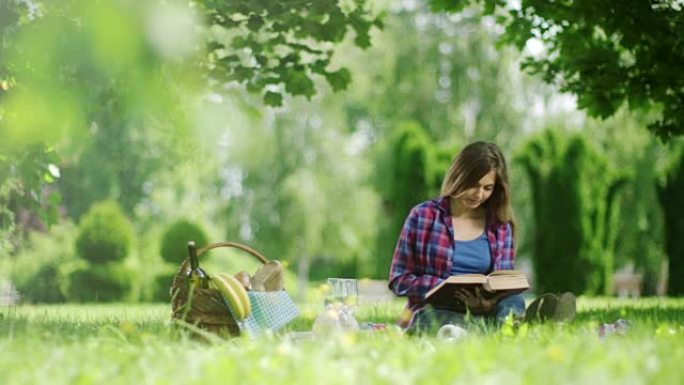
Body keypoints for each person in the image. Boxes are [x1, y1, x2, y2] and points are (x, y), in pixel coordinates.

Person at [388, 141, 575, 333]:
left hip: (483, 312)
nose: (479, 194)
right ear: (458, 177)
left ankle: (505, 327)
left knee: (513, 301)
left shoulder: (500, 226)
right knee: (427, 319)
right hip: (434, 310)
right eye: (473, 185)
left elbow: (502, 283)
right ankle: (520, 330)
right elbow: (399, 279)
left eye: (488, 188)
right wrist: (441, 286)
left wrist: (486, 303)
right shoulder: (423, 216)